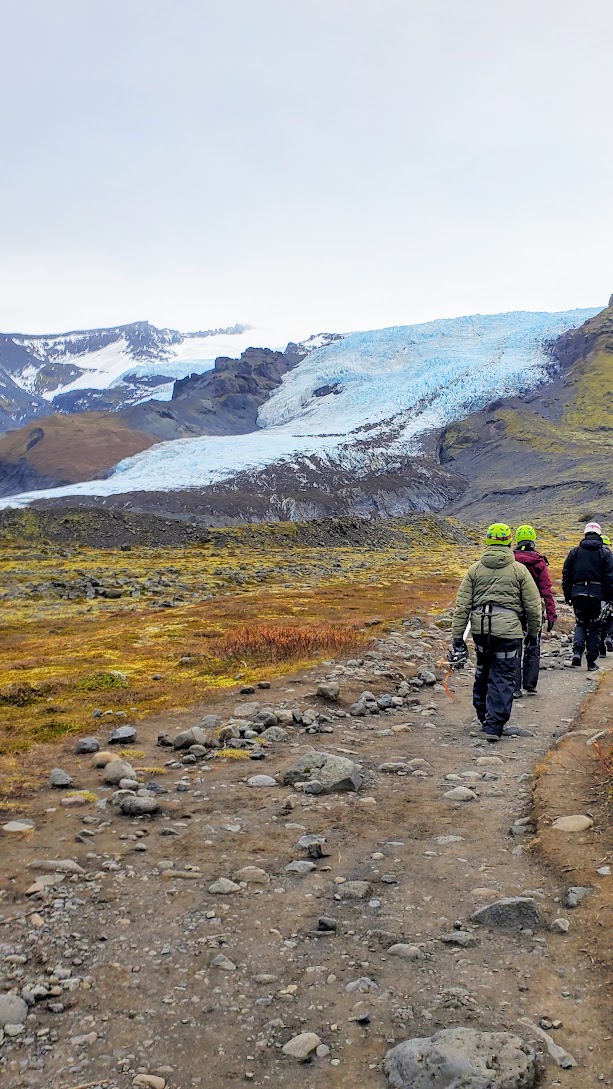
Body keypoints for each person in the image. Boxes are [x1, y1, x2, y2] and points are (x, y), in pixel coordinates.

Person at [450, 522, 542, 742]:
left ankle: (484, 716)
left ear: (487, 541)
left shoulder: (474, 570)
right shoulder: (519, 570)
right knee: (503, 674)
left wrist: (457, 638)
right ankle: (495, 724)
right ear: (510, 541)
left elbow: (462, 606)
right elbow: (533, 605)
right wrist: (533, 633)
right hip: (508, 632)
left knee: (483, 668)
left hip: (481, 629)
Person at [512, 525, 557, 696]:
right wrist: (551, 613)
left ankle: (515, 687)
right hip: (534, 610)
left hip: (514, 609)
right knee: (533, 645)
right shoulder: (539, 561)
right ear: (533, 540)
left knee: (514, 647)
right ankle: (530, 684)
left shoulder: (511, 560)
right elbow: (546, 589)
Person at [562, 522, 613, 671]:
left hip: (578, 593)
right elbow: (610, 578)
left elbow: (566, 574)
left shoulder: (574, 552)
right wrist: (610, 598)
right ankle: (591, 662)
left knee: (580, 623)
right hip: (597, 596)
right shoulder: (606, 554)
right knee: (595, 627)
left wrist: (567, 595)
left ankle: (577, 652)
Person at [599, 535, 613, 657]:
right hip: (609, 593)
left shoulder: (594, 555)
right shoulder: (610, 556)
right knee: (610, 617)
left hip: (595, 592)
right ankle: (610, 636)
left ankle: (601, 649)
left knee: (598, 621)